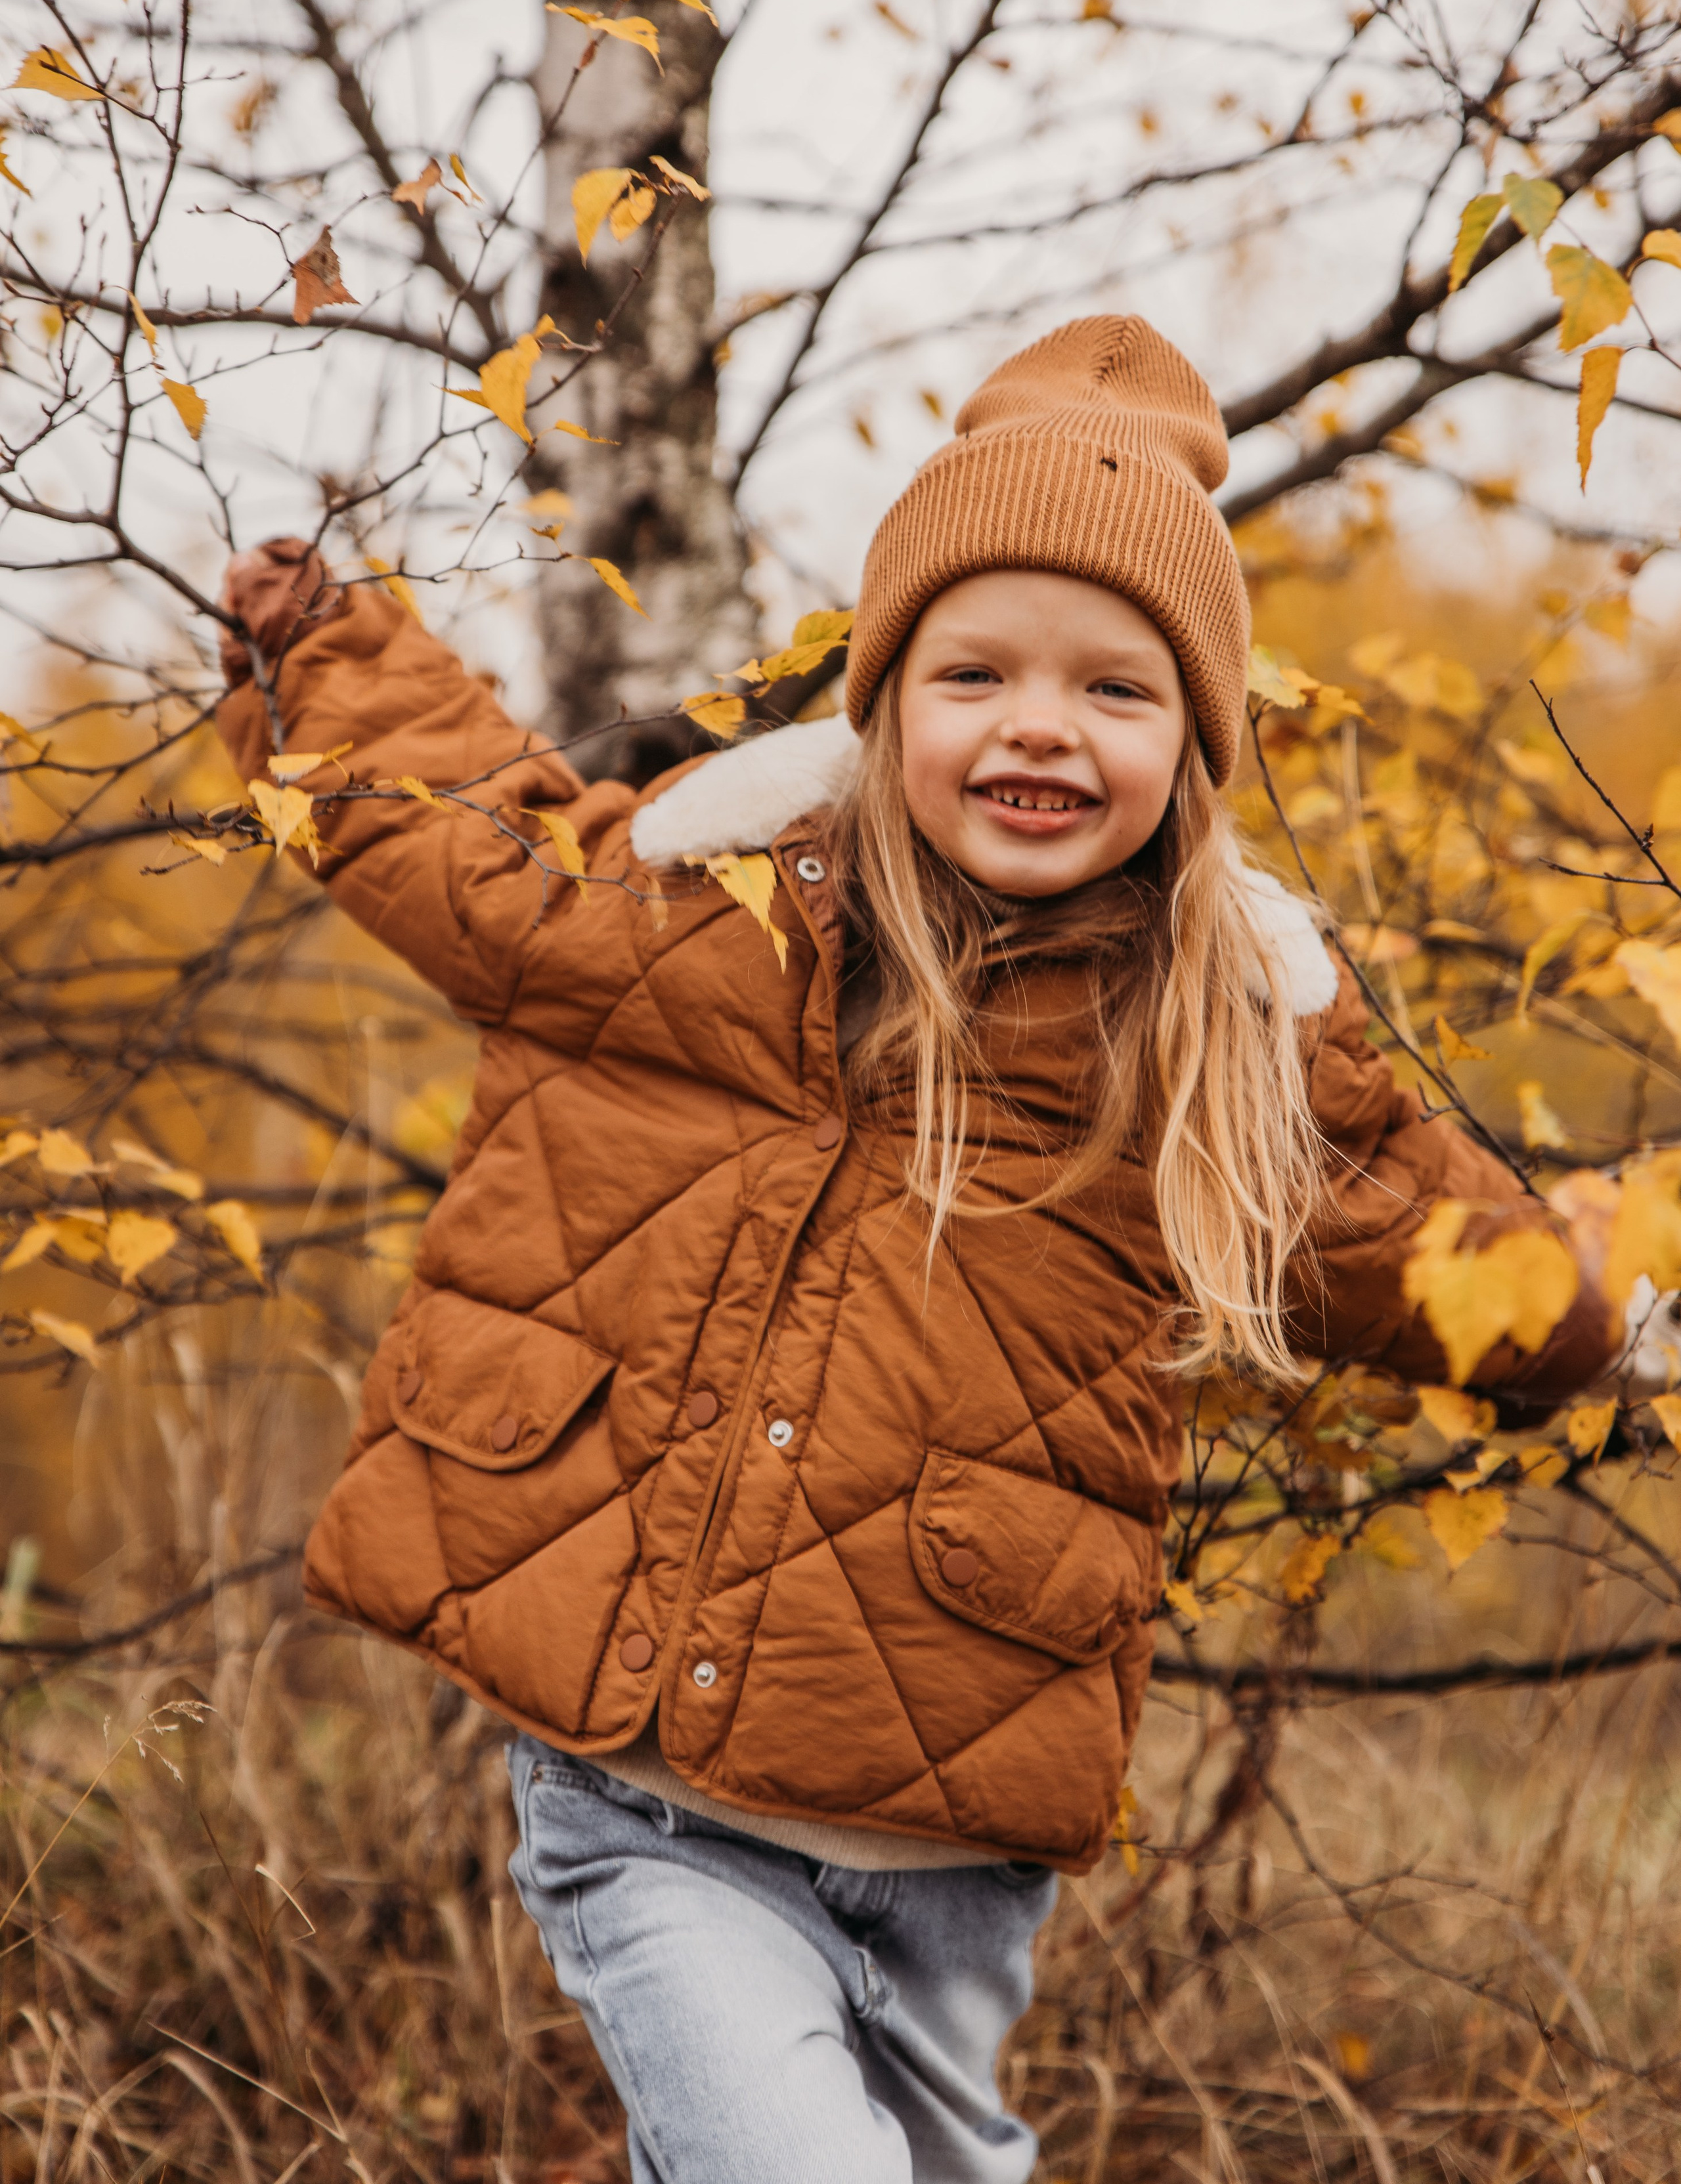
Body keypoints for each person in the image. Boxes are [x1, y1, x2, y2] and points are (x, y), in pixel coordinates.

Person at [217, 316, 1615, 2184]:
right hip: (652, 1797)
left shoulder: (1206, 1060)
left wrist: (1631, 1316)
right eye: (976, 672)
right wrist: (324, 657)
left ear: (1192, 754)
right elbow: (452, 833)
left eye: (1118, 694)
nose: (1040, 725)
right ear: (884, 704)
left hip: (960, 1842)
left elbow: (1446, 1255)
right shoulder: (687, 919)